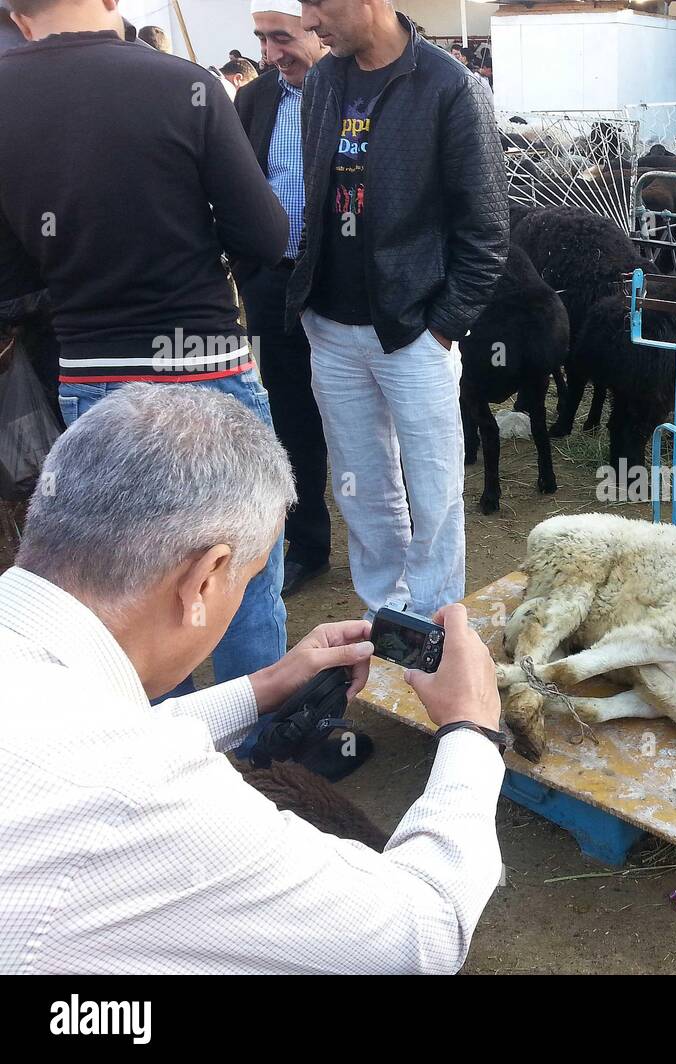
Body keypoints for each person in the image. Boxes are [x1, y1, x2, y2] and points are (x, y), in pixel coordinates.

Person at [0, 385, 506, 974]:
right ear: (207, 578)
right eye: (250, 574)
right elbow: (422, 935)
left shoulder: (56, 702)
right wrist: (472, 729)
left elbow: (89, 738)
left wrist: (265, 686)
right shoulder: (145, 798)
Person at [0, 0, 292, 691]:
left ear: (15, 10)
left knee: (125, 584)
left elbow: (10, 278)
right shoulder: (178, 84)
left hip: (92, 372)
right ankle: (270, 744)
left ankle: (159, 738)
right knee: (240, 571)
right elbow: (266, 235)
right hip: (204, 364)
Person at [289, 0, 509, 620]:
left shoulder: (450, 86)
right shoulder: (326, 80)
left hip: (413, 332)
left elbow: (488, 226)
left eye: (318, 4)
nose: (309, 22)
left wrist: (443, 326)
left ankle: (436, 620)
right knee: (361, 489)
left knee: (435, 492)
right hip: (329, 327)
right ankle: (386, 616)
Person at [237, 0, 333, 601]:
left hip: (346, 289)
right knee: (291, 416)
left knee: (363, 420)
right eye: (262, 39)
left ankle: (398, 550)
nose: (270, 54)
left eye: (282, 37)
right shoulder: (255, 100)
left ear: (318, 29)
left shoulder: (355, 96)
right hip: (275, 284)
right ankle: (310, 543)